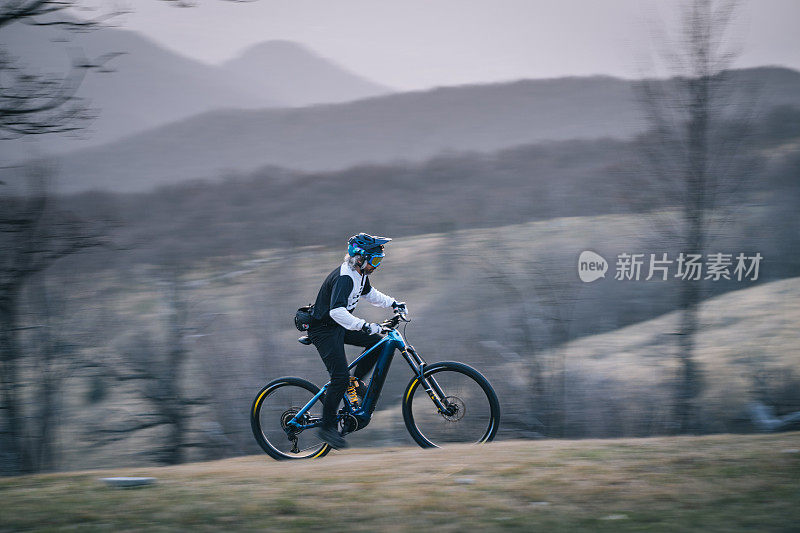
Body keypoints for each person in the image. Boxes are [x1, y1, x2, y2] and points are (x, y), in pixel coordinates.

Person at [308, 233, 406, 449]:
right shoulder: (345, 277)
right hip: (323, 330)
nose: (377, 265)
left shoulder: (360, 274)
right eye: (375, 260)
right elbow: (336, 312)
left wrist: (394, 303)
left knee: (376, 343)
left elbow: (369, 294)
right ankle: (326, 428)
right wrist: (364, 324)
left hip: (338, 326)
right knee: (339, 377)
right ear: (360, 258)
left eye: (380, 260)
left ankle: (355, 381)